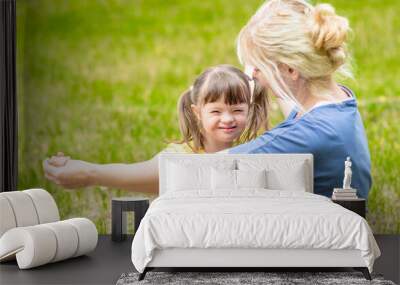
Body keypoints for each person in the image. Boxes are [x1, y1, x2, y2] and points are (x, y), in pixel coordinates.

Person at [43, 65, 269, 194]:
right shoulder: (181, 156)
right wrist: (86, 172)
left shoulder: (251, 149)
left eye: (237, 110)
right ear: (197, 112)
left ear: (249, 109)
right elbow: (131, 173)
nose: (228, 119)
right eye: (216, 112)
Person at [228, 0, 371, 199]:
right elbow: (292, 105)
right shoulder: (338, 102)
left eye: (258, 68)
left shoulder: (309, 134)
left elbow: (212, 168)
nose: (251, 75)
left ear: (291, 70)